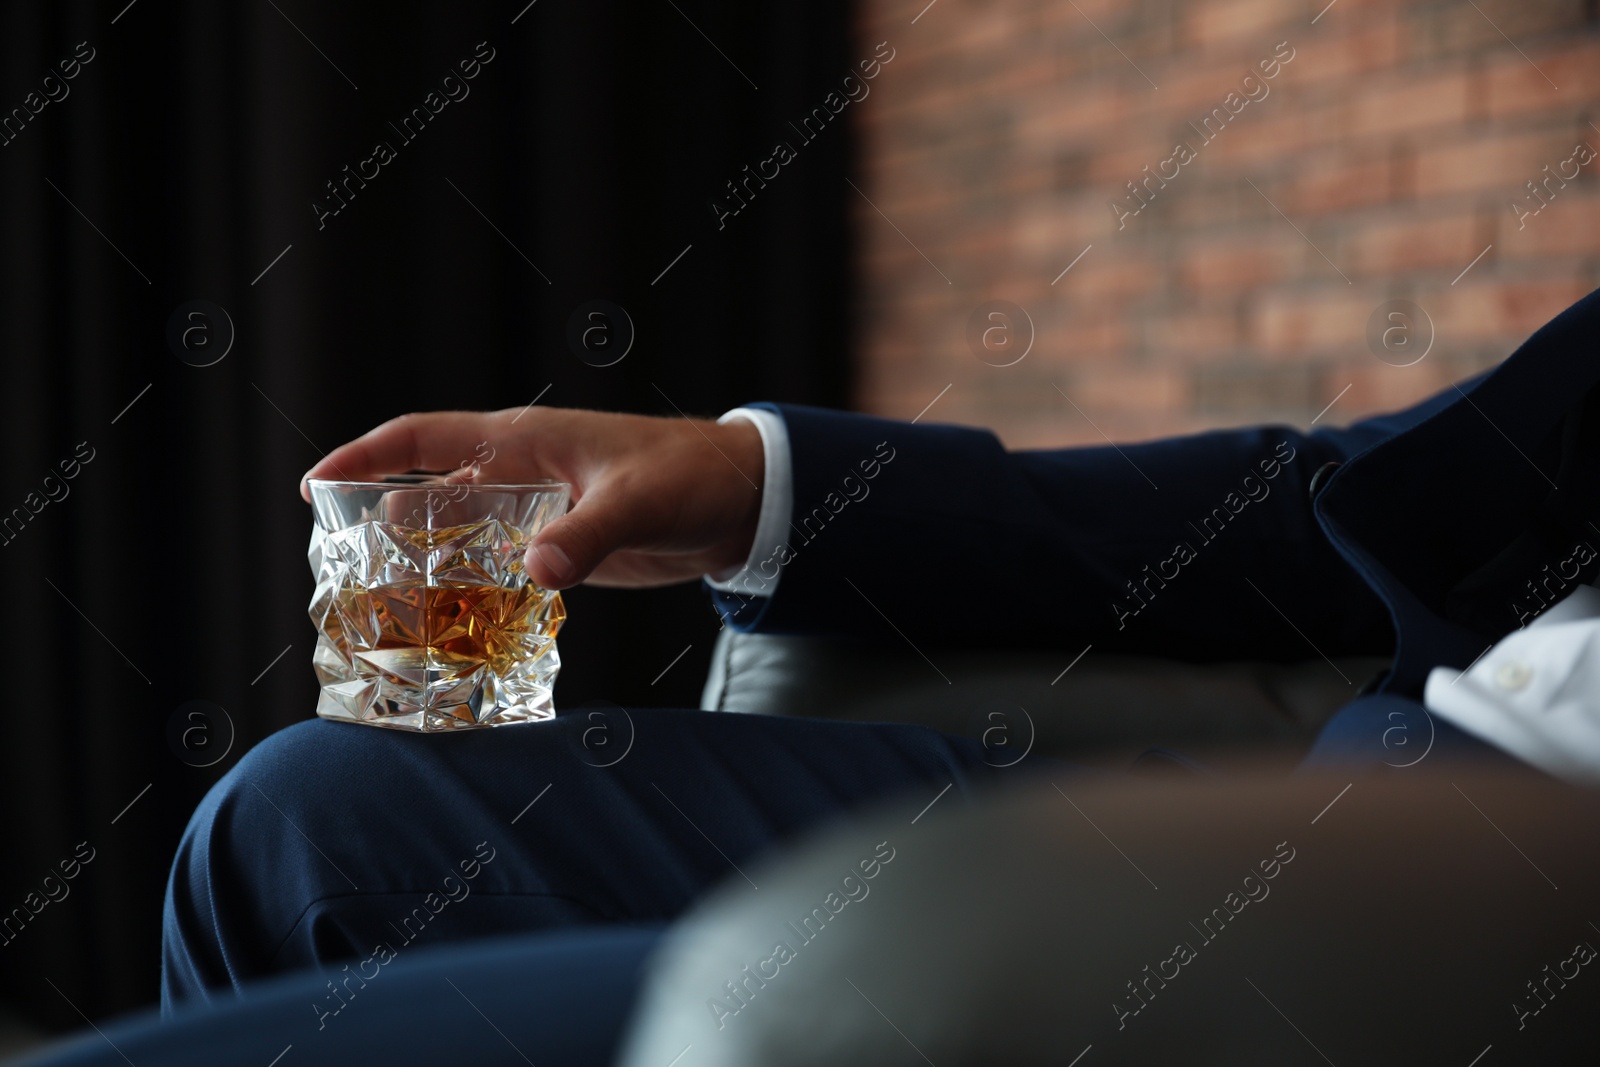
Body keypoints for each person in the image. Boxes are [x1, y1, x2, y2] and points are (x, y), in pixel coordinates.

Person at [30, 287, 1600, 1066]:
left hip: (1496, 887)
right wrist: (749, 484)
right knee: (309, 817)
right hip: (1338, 778)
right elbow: (1332, 503)